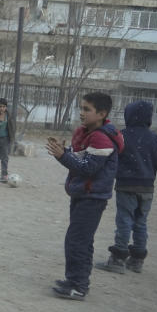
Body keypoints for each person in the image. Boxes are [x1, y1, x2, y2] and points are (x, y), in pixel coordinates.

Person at [45, 92, 124, 301]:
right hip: (83, 195)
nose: (81, 113)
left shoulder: (100, 137)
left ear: (102, 114)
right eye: (81, 108)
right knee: (81, 240)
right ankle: (75, 281)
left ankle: (78, 286)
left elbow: (87, 168)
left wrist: (63, 156)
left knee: (77, 241)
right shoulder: (87, 133)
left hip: (92, 198)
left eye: (87, 109)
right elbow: (80, 157)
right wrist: (65, 151)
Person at [96, 100, 157, 274]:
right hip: (147, 189)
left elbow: (110, 159)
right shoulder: (155, 139)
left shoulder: (121, 136)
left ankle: (118, 258)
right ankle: (137, 260)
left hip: (126, 186)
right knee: (140, 222)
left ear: (128, 115)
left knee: (124, 220)